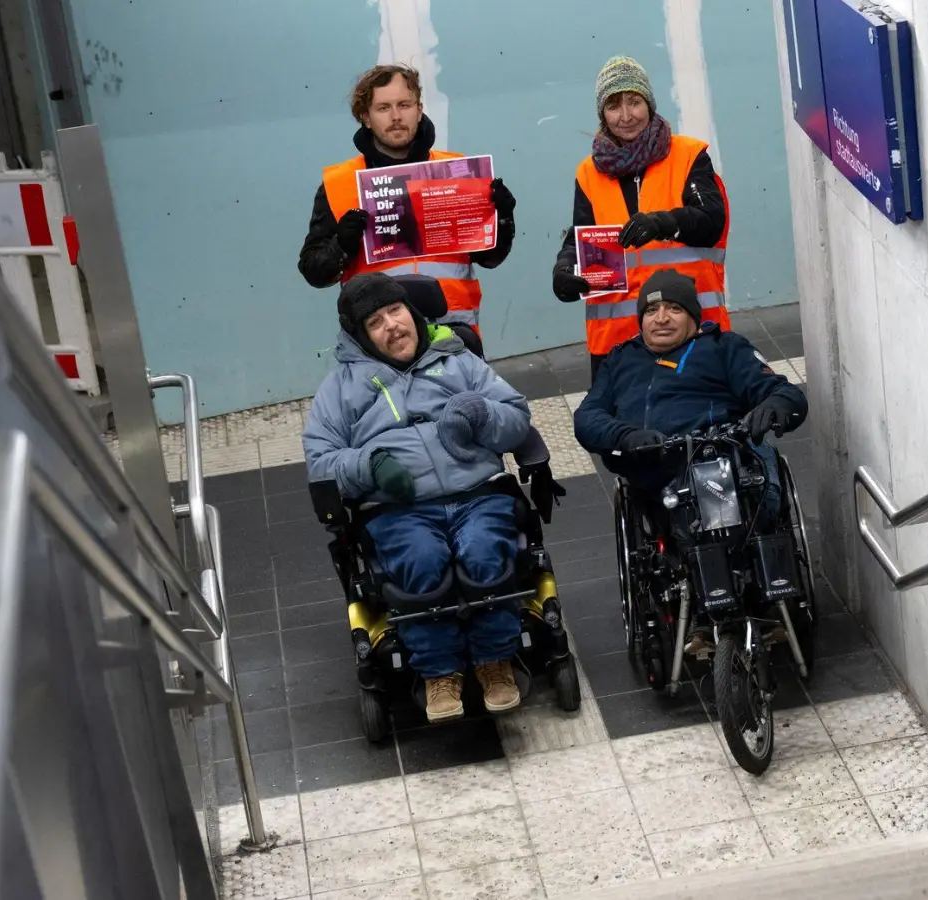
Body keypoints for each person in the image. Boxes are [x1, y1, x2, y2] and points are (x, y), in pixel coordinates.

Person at [303, 273, 556, 721]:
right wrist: (369, 466)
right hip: (397, 507)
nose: (392, 326)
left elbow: (517, 418)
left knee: (484, 552)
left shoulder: (458, 360)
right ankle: (440, 673)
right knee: (420, 561)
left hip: (478, 491)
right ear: (361, 335)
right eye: (376, 322)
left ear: (412, 312)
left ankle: (494, 661)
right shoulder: (339, 389)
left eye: (396, 312)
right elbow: (321, 461)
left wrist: (481, 411)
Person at [299, 64, 516, 355]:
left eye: (404, 104)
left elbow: (490, 258)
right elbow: (313, 271)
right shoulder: (339, 185)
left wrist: (502, 219)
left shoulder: (457, 172)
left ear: (419, 108)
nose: (396, 116)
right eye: (383, 107)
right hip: (380, 344)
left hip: (454, 337)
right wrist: (341, 246)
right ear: (365, 117)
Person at [573, 269, 805, 533]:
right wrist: (626, 436)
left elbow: (783, 392)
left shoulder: (723, 347)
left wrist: (776, 406)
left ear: (693, 316)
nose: (661, 319)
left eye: (674, 308)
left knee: (758, 488)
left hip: (719, 459)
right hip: (652, 468)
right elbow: (587, 417)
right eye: (651, 311)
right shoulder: (620, 360)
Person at [551, 56, 733, 378]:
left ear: (649, 103)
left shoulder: (688, 156)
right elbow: (582, 235)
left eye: (634, 102)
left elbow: (711, 221)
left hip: (690, 330)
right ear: (601, 114)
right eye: (613, 106)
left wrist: (662, 223)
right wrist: (565, 268)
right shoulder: (588, 173)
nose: (625, 116)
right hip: (618, 344)